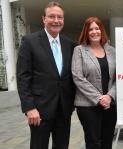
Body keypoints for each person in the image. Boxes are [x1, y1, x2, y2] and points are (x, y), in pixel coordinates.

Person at [16, 1, 77, 149]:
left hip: (63, 110)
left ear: (63, 20)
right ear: (44, 19)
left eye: (59, 17)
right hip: (39, 111)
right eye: (52, 16)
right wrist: (29, 108)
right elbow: (23, 77)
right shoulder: (29, 42)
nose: (56, 20)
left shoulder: (69, 44)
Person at [71, 16, 116, 149]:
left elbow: (119, 78)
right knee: (93, 142)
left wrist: (109, 96)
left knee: (107, 142)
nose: (94, 32)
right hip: (88, 105)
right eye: (91, 29)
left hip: (110, 104)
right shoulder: (79, 50)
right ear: (86, 32)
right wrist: (99, 98)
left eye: (97, 28)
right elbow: (78, 77)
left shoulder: (112, 51)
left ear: (102, 31)